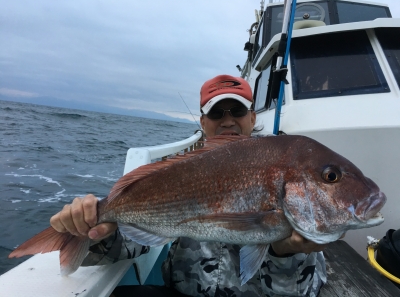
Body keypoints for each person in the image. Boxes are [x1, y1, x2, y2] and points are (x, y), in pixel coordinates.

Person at [50, 75, 327, 297]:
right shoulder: (177, 171)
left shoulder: (285, 170)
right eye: (217, 113)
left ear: (253, 118)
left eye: (238, 110)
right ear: (203, 122)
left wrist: (284, 252)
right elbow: (129, 245)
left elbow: (308, 288)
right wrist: (96, 230)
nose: (228, 119)